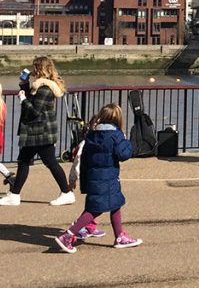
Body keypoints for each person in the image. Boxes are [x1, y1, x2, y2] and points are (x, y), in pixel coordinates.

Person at [54, 103, 142, 252]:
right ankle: (68, 235)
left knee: (115, 204)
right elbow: (123, 155)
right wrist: (128, 142)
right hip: (107, 178)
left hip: (94, 177)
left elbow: (84, 159)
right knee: (95, 209)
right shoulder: (116, 135)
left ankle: (119, 235)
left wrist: (84, 181)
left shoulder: (91, 135)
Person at [0, 56, 74, 206]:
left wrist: (23, 100)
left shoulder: (45, 89)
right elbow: (32, 98)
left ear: (40, 69)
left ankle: (66, 192)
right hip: (37, 130)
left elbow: (35, 111)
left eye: (35, 68)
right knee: (24, 161)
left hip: (41, 131)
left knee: (49, 162)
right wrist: (24, 84)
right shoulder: (39, 86)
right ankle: (15, 194)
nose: (33, 71)